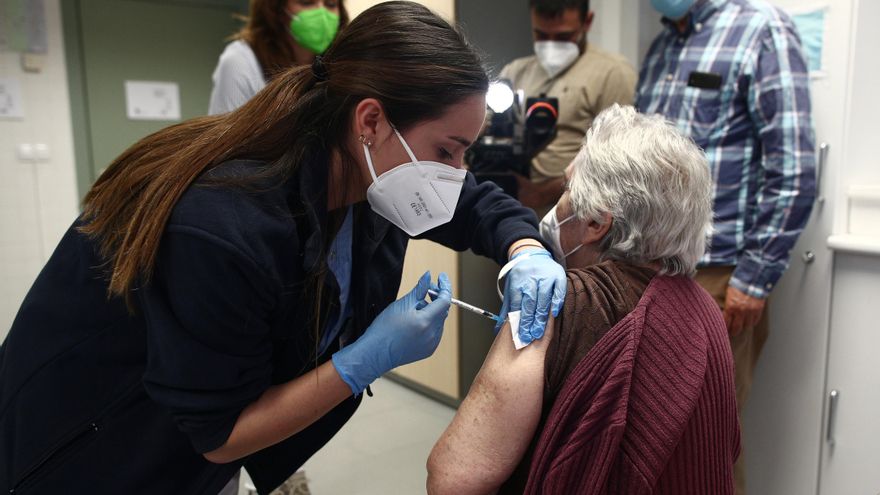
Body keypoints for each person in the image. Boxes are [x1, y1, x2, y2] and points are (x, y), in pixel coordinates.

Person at [0, 3, 566, 493]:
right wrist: (367, 357)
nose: (457, 173)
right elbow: (220, 435)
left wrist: (525, 249)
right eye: (448, 151)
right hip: (93, 445)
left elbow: (472, 203)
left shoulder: (371, 173)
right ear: (370, 120)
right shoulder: (224, 227)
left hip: (194, 443)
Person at [427, 105, 740, 494]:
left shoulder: (555, 304)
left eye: (567, 189)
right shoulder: (704, 307)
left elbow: (452, 477)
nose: (558, 203)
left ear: (596, 222)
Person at [635, 1, 816, 492]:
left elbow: (795, 171)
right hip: (650, 271)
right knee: (653, 438)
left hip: (718, 276)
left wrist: (753, 280)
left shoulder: (762, 29)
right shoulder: (661, 48)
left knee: (705, 443)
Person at [498, 0, 637, 213]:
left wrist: (542, 193)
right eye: (541, 35)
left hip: (577, 213)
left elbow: (614, 160)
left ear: (587, 22)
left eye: (563, 37)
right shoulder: (515, 72)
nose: (551, 45)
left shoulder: (613, 73)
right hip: (515, 208)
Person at [208, 0, 349, 115]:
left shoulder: (342, 63)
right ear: (277, 9)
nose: (321, 14)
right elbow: (226, 144)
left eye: (331, 4)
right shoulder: (240, 61)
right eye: (306, 2)